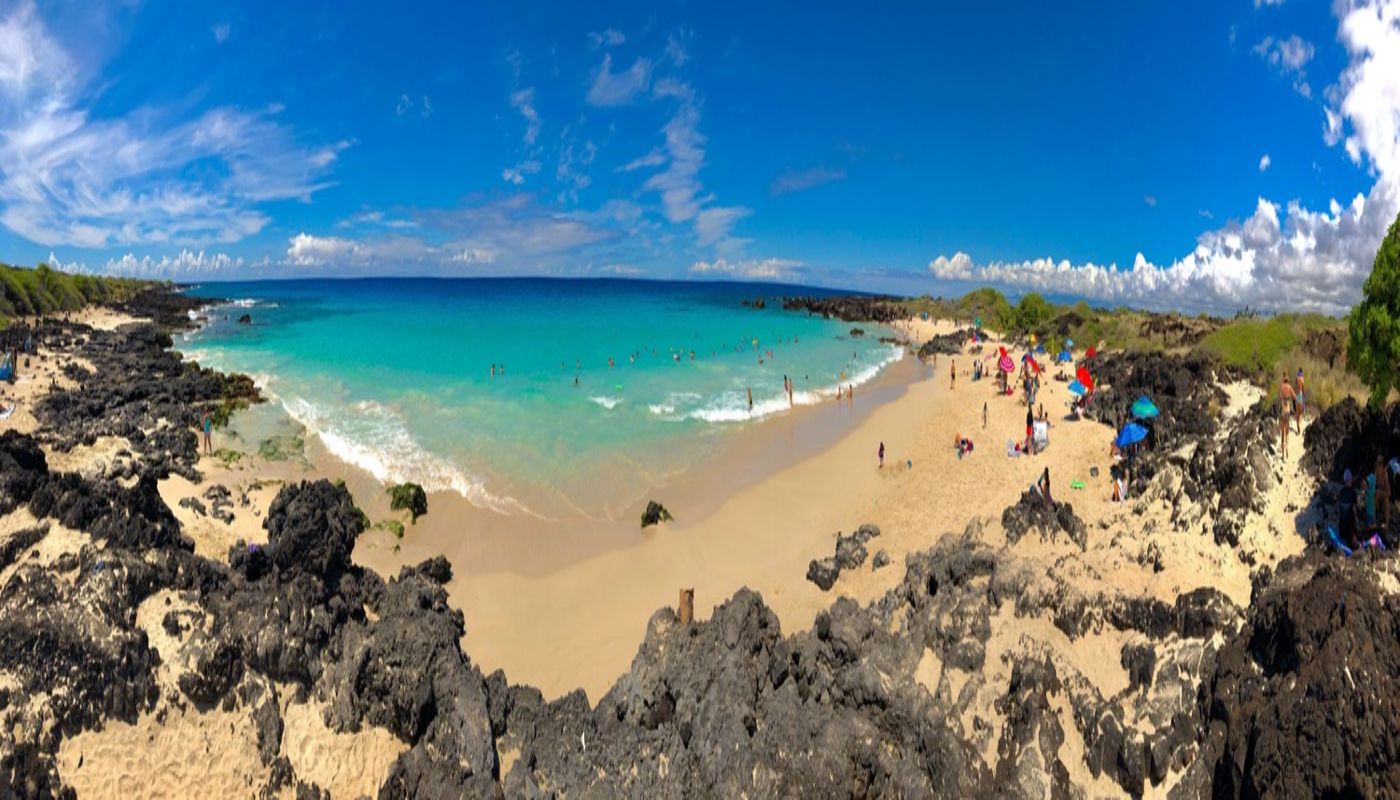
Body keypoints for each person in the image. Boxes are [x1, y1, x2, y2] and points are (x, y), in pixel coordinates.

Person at [1339, 469, 1360, 550]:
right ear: (1351, 480)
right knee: (1353, 532)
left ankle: (1352, 541)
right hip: (1349, 527)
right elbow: (1355, 508)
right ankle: (1354, 543)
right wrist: (1357, 519)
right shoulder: (1353, 492)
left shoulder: (1341, 492)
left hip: (1341, 528)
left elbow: (1340, 509)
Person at [1376, 455, 1391, 537]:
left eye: (1380, 464)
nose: (1378, 467)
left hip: (1383, 497)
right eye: (1377, 464)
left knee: (1386, 500)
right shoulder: (1376, 472)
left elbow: (1389, 493)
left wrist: (1381, 492)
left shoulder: (1385, 475)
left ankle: (1387, 526)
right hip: (1377, 498)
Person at [1278, 375, 1293, 458]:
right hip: (1287, 412)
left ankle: (1283, 454)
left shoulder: (1281, 386)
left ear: (1284, 380)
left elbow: (1279, 397)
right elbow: (1294, 396)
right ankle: (1287, 446)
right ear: (1288, 381)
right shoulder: (1289, 387)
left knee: (1282, 433)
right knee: (1287, 432)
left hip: (1282, 412)